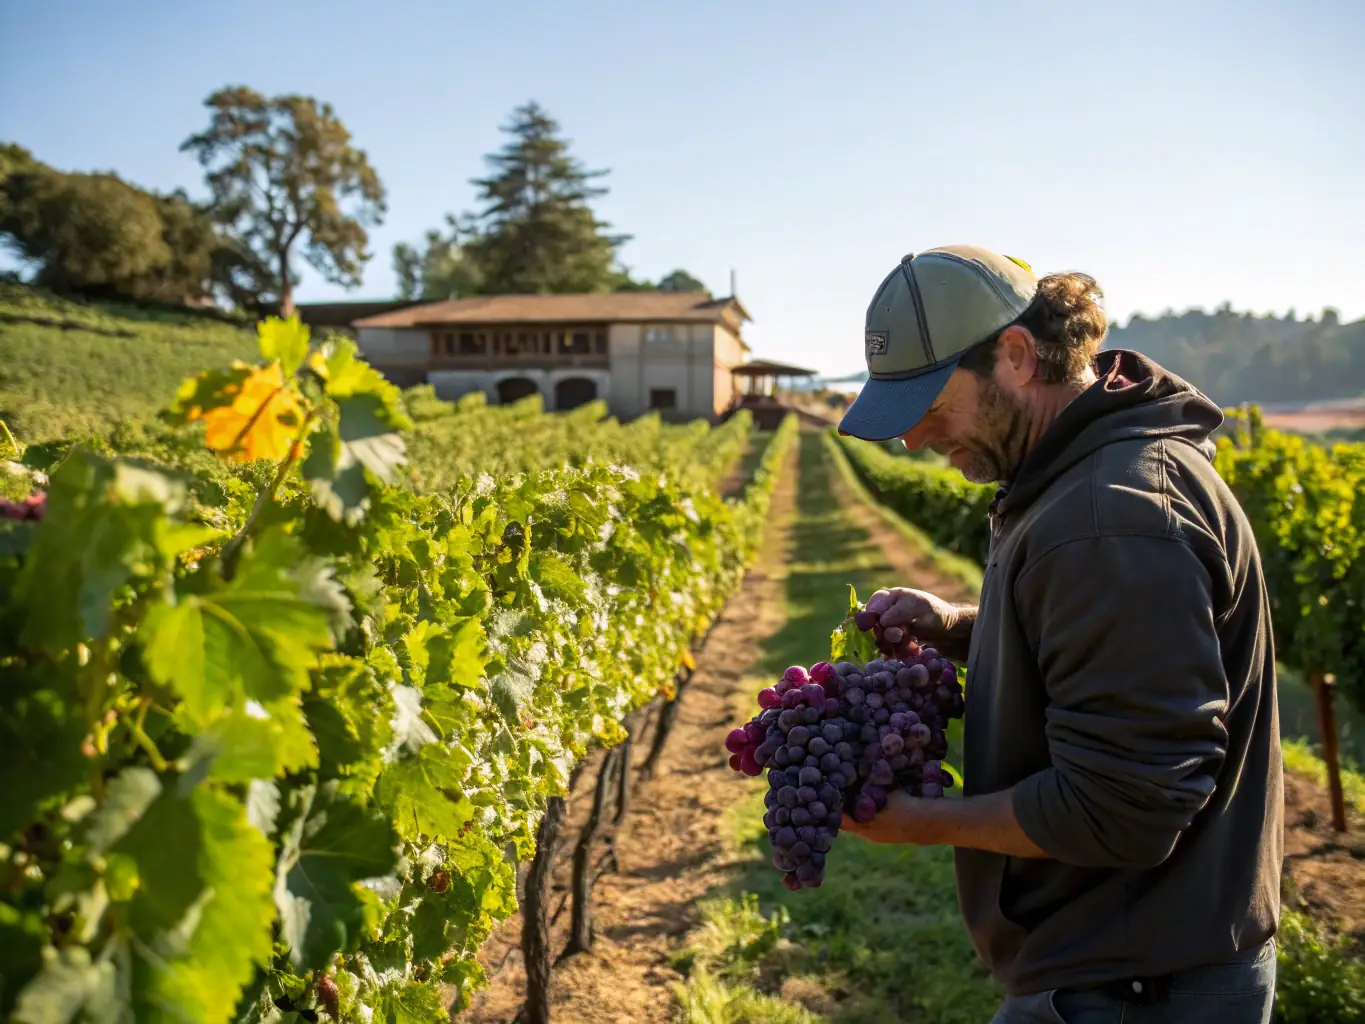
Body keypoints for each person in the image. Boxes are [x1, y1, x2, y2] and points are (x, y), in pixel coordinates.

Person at [835, 246, 1283, 1023]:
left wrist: (921, 824)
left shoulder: (1108, 517)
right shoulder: (1081, 478)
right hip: (1126, 964)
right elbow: (1093, 650)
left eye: (929, 405)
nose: (912, 440)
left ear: (1013, 356)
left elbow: (1124, 805)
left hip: (1139, 990)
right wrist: (953, 628)